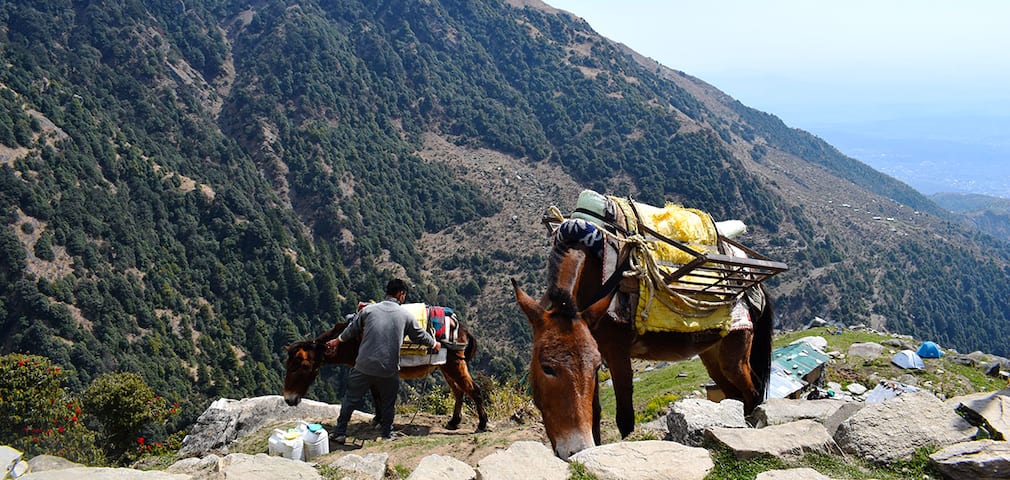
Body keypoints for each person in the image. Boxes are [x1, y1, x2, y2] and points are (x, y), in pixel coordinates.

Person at [324, 278, 440, 443]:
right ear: (401, 295)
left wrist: (336, 341)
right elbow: (419, 335)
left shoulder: (368, 310)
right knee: (388, 403)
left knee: (350, 399)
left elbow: (351, 330)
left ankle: (340, 433)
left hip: (363, 365)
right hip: (388, 368)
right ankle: (387, 434)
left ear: (387, 292)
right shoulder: (405, 315)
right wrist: (434, 344)